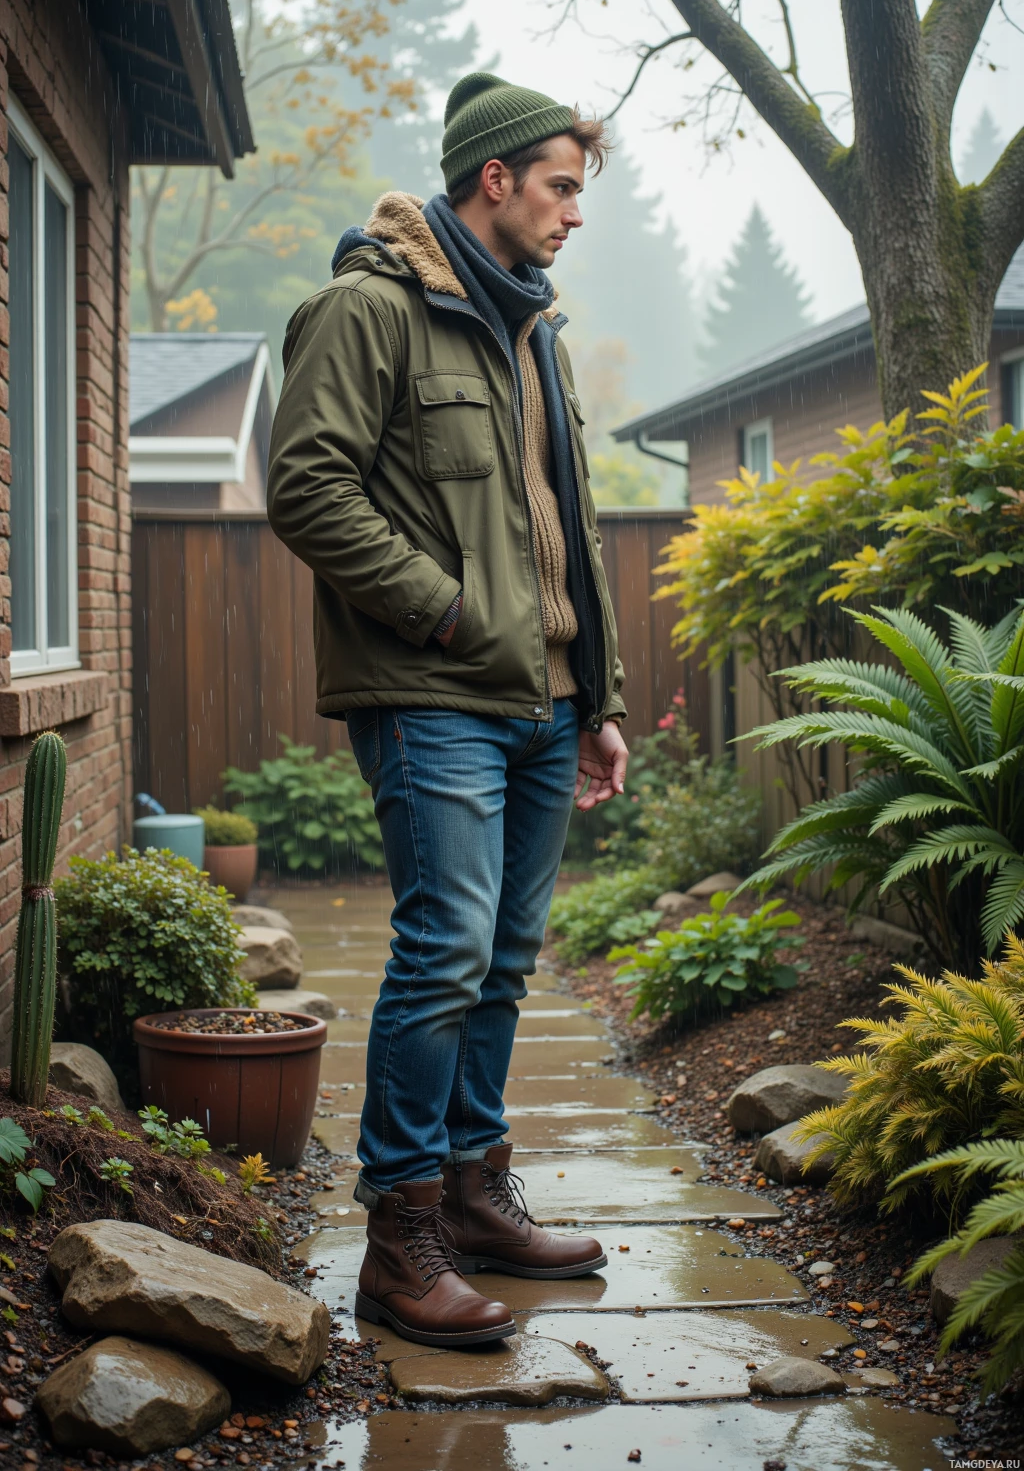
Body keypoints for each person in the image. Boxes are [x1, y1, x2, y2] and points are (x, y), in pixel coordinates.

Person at [267, 72, 629, 1348]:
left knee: (505, 961)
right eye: (562, 187)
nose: (576, 214)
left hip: (544, 702)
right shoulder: (367, 310)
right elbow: (307, 488)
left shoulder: (536, 329)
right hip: (435, 692)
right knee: (442, 955)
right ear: (495, 181)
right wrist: (445, 612)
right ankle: (400, 1240)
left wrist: (599, 698)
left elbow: (564, 531)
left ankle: (475, 1197)